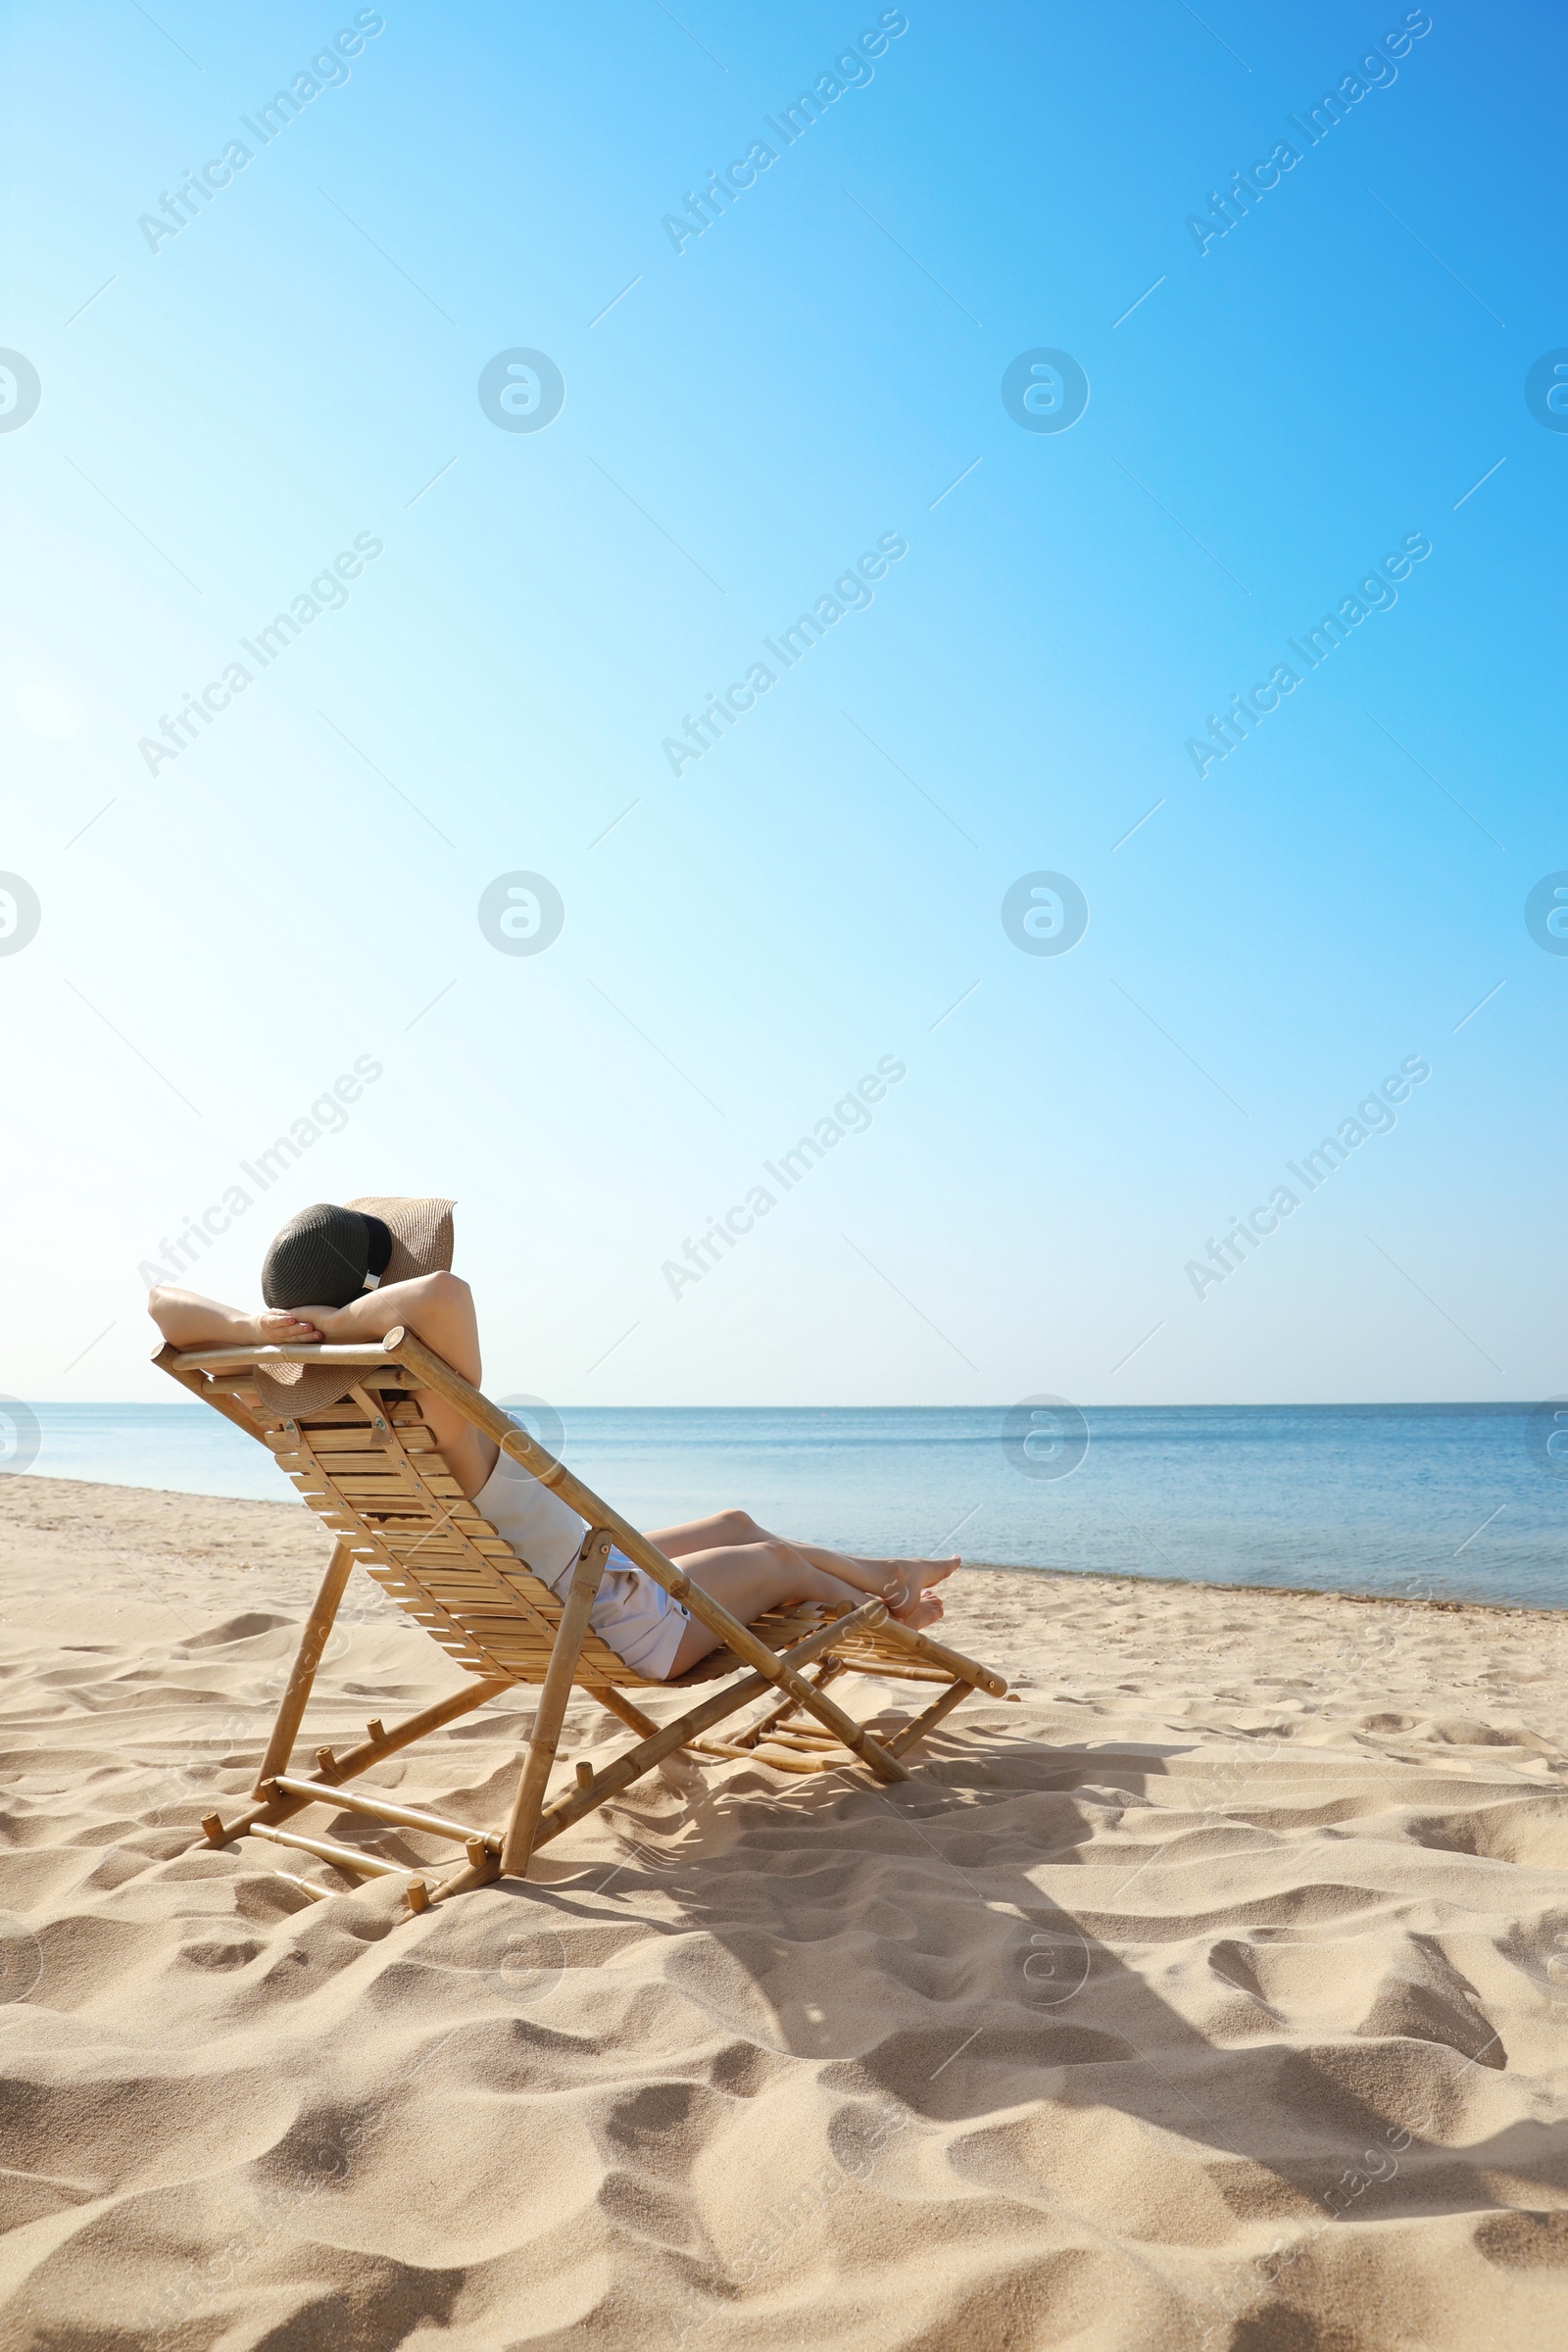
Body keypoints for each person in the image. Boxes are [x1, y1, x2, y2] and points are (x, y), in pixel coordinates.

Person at [147, 1196, 957, 1682]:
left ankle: (890, 1575)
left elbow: (162, 1306)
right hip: (615, 1618)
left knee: (741, 1526)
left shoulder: (344, 1416)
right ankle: (887, 1613)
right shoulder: (441, 1418)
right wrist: (343, 1323)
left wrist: (264, 1329)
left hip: (583, 1576)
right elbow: (442, 1292)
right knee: (777, 1563)